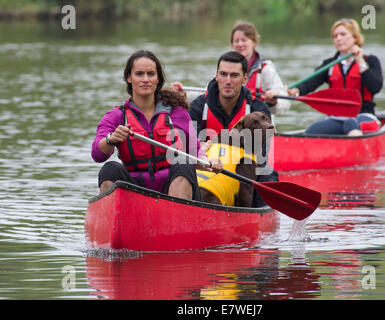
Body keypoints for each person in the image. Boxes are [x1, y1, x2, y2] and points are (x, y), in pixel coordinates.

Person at [91, 50, 221, 200]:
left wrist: (208, 162)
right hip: (135, 191)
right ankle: (114, 219)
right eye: (139, 74)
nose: (145, 79)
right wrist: (110, 139)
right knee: (109, 169)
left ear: (158, 79)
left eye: (151, 74)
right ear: (129, 78)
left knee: (184, 163)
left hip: (172, 190)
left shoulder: (177, 112)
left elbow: (194, 151)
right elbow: (97, 154)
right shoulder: (116, 116)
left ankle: (175, 217)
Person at [190, 50, 278, 207]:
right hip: (205, 169)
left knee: (267, 174)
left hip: (243, 171)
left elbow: (261, 156)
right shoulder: (198, 107)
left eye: (234, 75)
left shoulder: (258, 109)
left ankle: (255, 221)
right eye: (223, 74)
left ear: (245, 78)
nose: (228, 81)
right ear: (216, 76)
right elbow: (189, 150)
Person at [288, 18, 383, 136]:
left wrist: (360, 61)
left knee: (350, 123)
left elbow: (376, 87)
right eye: (335, 36)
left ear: (355, 37)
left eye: (342, 34)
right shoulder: (329, 64)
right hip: (336, 118)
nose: (338, 38)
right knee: (312, 131)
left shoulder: (370, 61)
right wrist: (294, 91)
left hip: (364, 116)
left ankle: (354, 150)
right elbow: (311, 82)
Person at [172, 21, 290, 115]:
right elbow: (209, 94)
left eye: (244, 40)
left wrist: (274, 102)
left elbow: (284, 105)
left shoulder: (266, 70)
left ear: (254, 42)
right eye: (236, 41)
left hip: (258, 128)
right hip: (233, 127)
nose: (239, 44)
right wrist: (184, 95)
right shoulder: (226, 67)